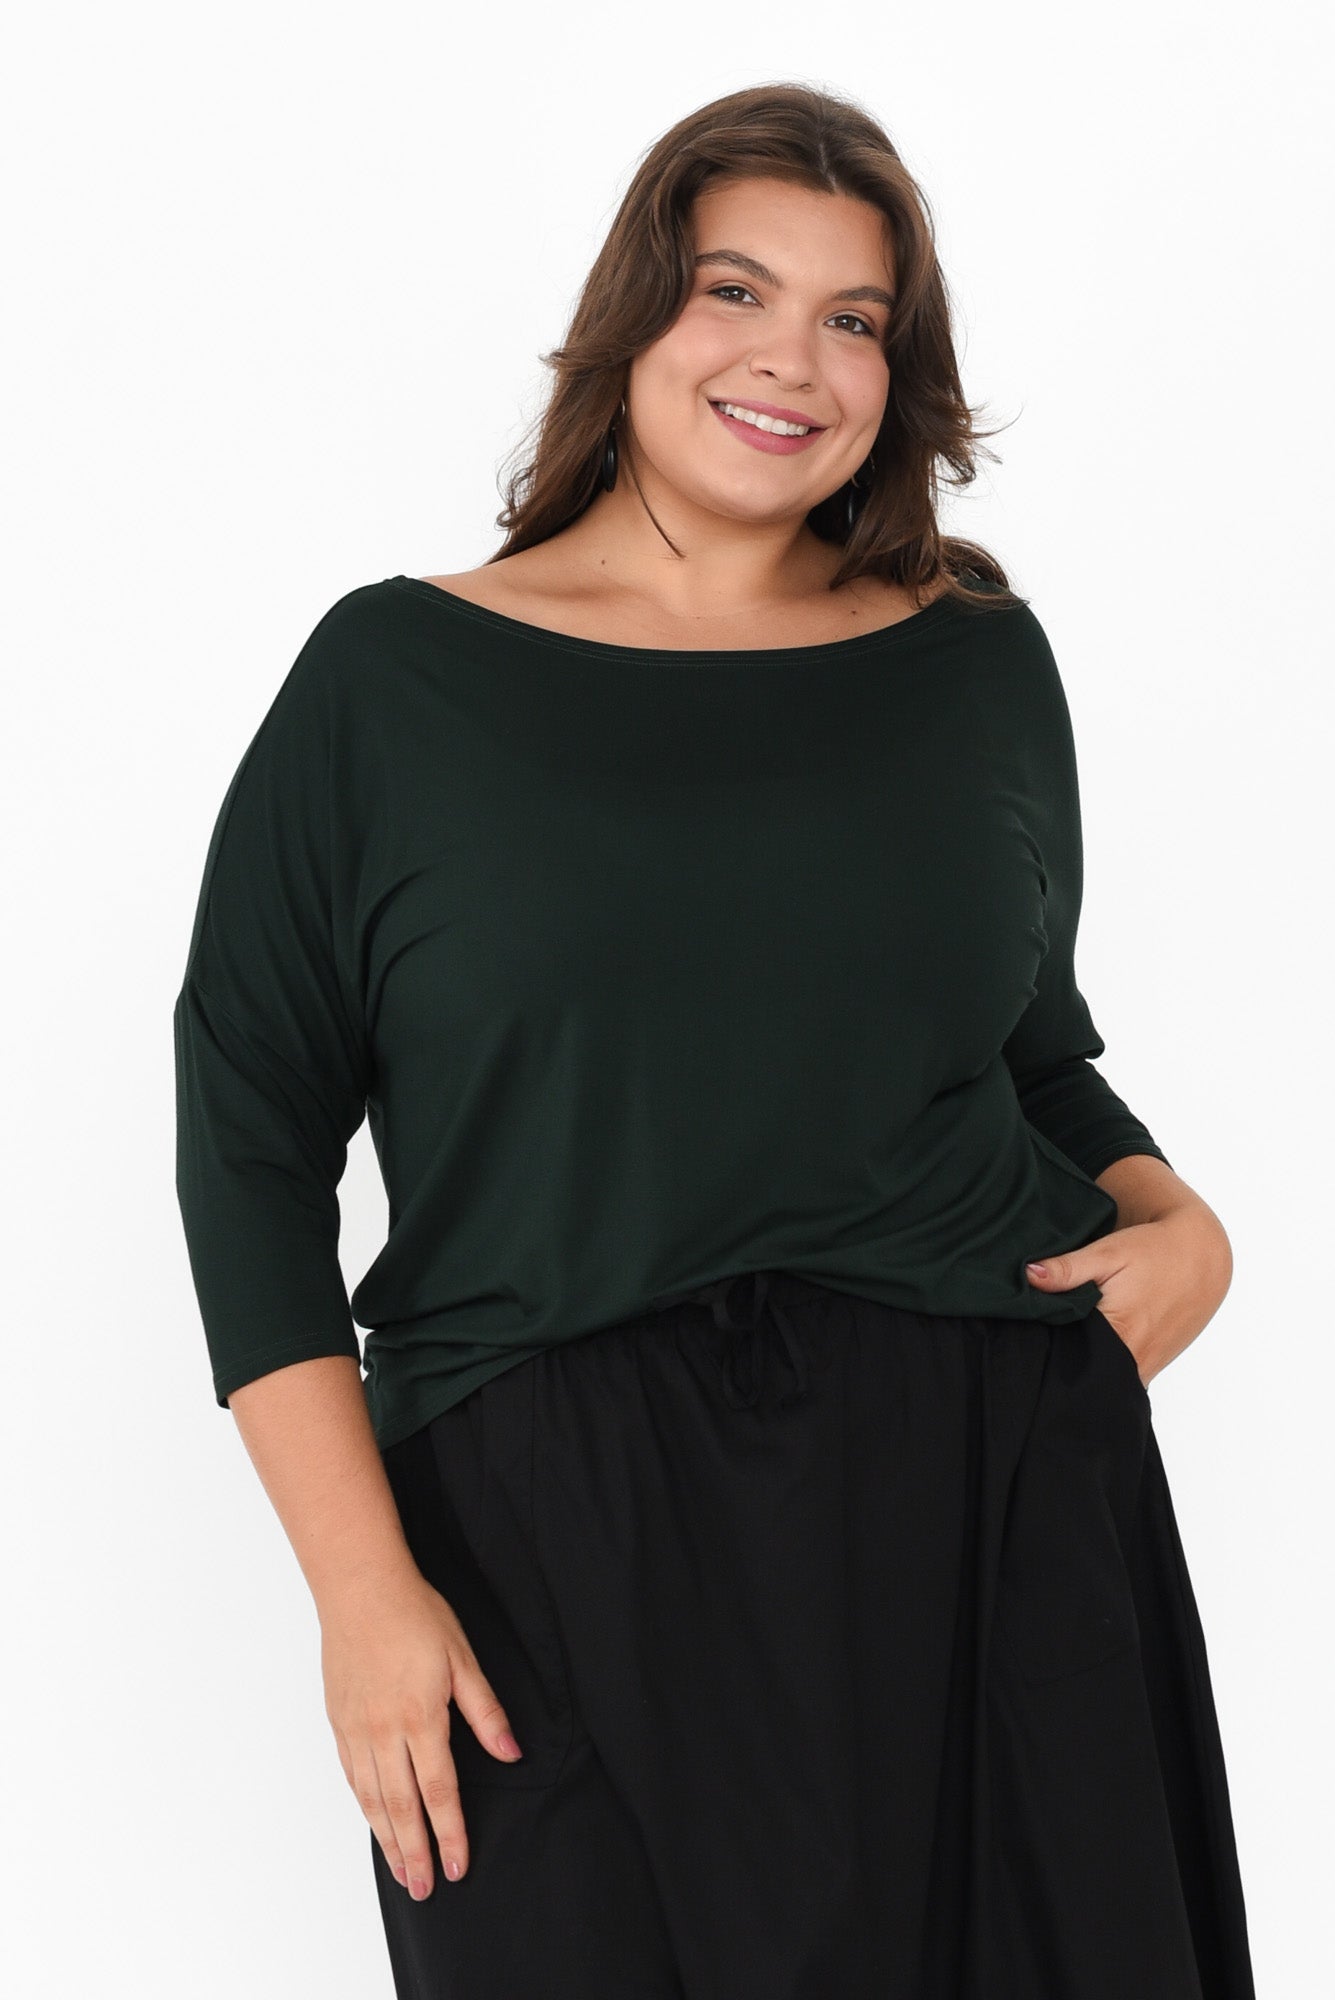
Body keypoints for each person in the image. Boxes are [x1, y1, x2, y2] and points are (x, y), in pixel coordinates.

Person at [172, 81, 1257, 1999]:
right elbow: (250, 1138)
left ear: (899, 373)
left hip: (988, 1498)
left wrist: (1181, 1220)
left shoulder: (973, 662)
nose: (792, 361)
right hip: (548, 1531)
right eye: (735, 291)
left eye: (854, 318)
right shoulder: (396, 683)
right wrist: (361, 1590)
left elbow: (1027, 1052)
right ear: (633, 318)